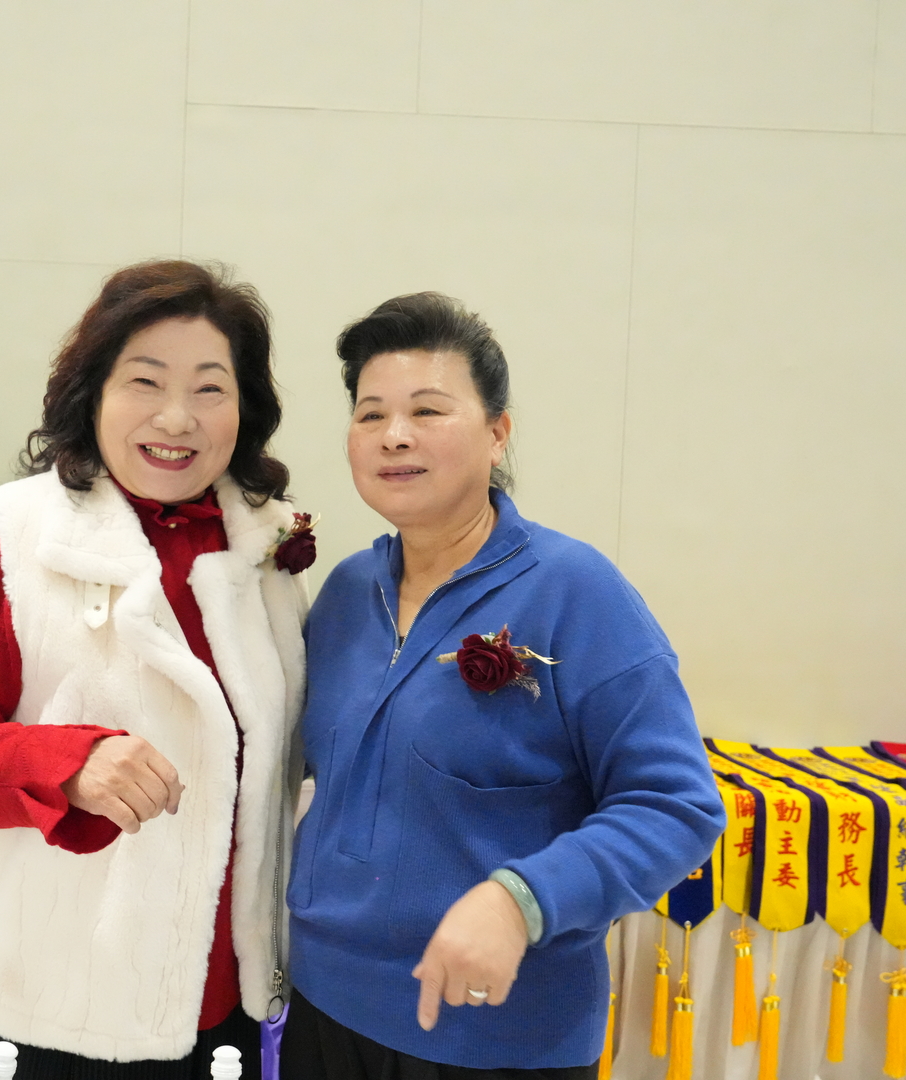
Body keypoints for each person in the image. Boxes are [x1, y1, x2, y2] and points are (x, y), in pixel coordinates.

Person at [282, 293, 725, 1077]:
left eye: (427, 410)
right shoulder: (347, 592)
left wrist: (521, 901)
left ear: (497, 433)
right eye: (370, 413)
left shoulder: (575, 592)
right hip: (324, 1009)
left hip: (496, 1035)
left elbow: (675, 805)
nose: (394, 434)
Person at [0, 260, 311, 1079]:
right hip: (63, 1011)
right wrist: (69, 763)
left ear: (245, 407)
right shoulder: (14, 533)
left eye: (210, 388)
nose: (177, 418)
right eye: (145, 382)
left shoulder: (266, 548)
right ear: (92, 394)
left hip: (229, 1010)